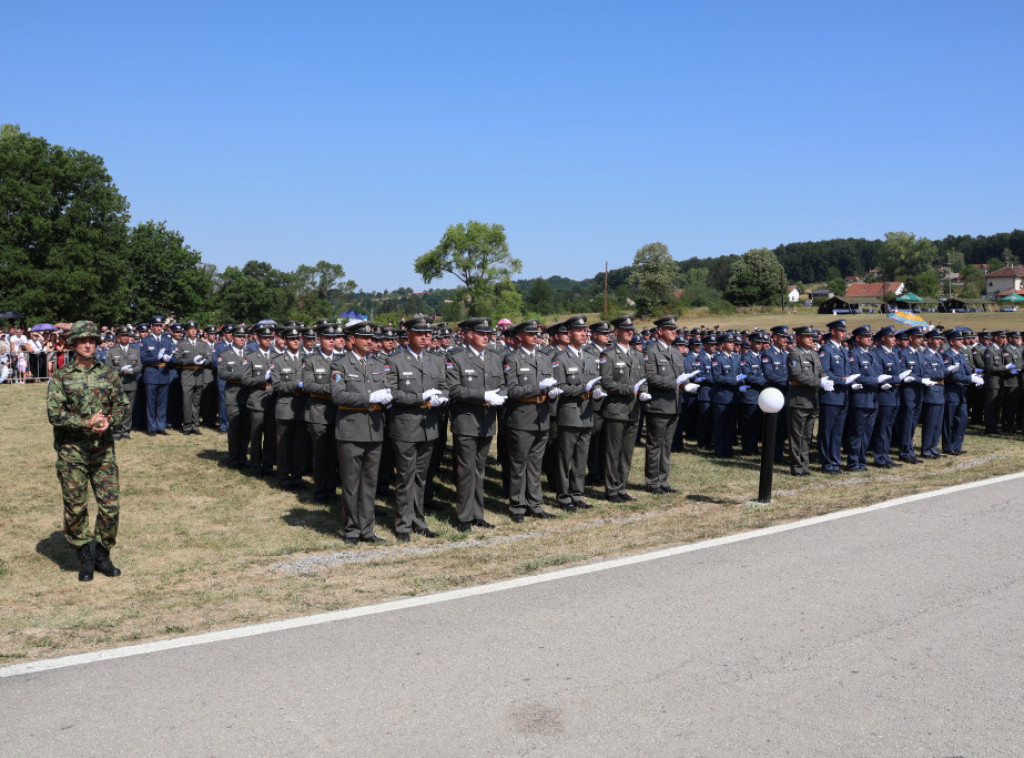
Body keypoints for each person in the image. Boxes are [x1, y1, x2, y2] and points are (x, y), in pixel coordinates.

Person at [46, 321, 130, 582]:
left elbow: (121, 405)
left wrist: (109, 421)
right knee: (75, 508)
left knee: (110, 507)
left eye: (92, 340)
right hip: (73, 453)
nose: (87, 344)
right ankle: (84, 556)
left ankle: (103, 554)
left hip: (102, 451)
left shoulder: (109, 374)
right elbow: (55, 414)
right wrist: (85, 422)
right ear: (73, 344)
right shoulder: (61, 377)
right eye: (82, 341)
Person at [385, 315, 447, 540]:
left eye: (427, 334)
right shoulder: (395, 360)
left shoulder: (434, 360)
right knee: (405, 477)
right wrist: (419, 397)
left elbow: (444, 386)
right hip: (406, 426)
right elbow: (392, 392)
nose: (425, 337)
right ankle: (403, 524)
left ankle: (419, 520)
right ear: (408, 334)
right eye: (420, 334)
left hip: (429, 426)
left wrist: (441, 397)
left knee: (422, 477)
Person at [331, 320, 392, 544]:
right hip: (350, 431)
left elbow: (386, 386)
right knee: (350, 482)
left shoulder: (377, 363)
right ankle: (352, 530)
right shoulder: (340, 365)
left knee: (369, 483)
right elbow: (338, 396)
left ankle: (368, 529)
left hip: (374, 430)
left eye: (372, 338)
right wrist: (368, 398)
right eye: (364, 337)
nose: (370, 341)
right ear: (352, 340)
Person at [446, 317, 507, 531]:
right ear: (469, 334)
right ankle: (464, 516)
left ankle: (477, 514)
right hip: (466, 421)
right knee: (466, 470)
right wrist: (483, 395)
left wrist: (501, 395)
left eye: (487, 333)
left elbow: (502, 384)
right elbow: (453, 389)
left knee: (480, 469)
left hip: (487, 421)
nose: (486, 337)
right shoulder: (456, 357)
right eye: (481, 333)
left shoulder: (493, 357)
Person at [503, 319, 559, 521]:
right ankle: (517, 506)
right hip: (522, 418)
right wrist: (540, 387)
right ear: (520, 337)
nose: (536, 336)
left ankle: (535, 504)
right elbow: (512, 390)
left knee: (535, 465)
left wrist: (552, 393)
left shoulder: (544, 358)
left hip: (541, 416)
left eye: (537, 333)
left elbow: (549, 384)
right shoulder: (513, 359)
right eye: (531, 334)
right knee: (519, 464)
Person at [598, 315, 648, 502]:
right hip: (616, 409)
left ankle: (621, 487)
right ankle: (611, 489)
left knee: (627, 451)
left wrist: (643, 390)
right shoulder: (608, 355)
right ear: (616, 332)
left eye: (631, 329)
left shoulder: (636, 354)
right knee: (613, 451)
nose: (630, 332)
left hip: (634, 409)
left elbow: (642, 377)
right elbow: (606, 382)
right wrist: (629, 389)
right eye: (626, 329)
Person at [642, 316, 690, 492]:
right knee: (655, 444)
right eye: (670, 329)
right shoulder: (651, 351)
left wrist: (687, 385)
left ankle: (663, 480)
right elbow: (650, 376)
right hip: (658, 405)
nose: (674, 332)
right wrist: (674, 382)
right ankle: (652, 481)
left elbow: (681, 375)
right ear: (660, 331)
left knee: (666, 445)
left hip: (674, 404)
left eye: (675, 329)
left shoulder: (676, 352)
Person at [787, 325, 826, 477]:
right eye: (807, 336)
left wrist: (826, 380)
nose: (812, 339)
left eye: (812, 336)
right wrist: (819, 382)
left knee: (807, 436)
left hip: (812, 401)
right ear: (798, 338)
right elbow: (796, 375)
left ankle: (805, 466)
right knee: (797, 437)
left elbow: (821, 372)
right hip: (799, 401)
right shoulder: (794, 354)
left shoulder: (814, 354)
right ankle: (797, 468)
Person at [173, 320, 214, 435]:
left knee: (196, 402)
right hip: (187, 375)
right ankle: (187, 426)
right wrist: (191, 361)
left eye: (195, 329)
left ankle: (195, 425)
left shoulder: (203, 344)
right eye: (191, 329)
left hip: (199, 375)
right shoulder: (181, 344)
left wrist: (203, 361)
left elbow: (209, 358)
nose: (193, 331)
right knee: (187, 402)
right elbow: (178, 359)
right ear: (186, 331)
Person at [103, 326, 142, 440]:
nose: (125, 338)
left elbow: (139, 366)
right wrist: (120, 369)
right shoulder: (112, 350)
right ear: (118, 337)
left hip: (131, 382)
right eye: (123, 335)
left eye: (127, 335)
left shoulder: (135, 350)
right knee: (117, 407)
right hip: (118, 383)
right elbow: (108, 366)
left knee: (128, 408)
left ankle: (125, 430)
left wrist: (133, 370)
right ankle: (117, 430)